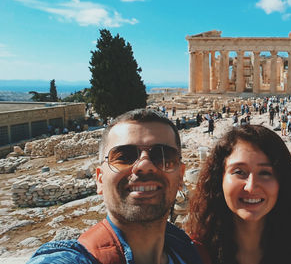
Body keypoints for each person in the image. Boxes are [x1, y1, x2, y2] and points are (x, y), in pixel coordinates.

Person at [27, 109, 204, 264]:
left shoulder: (191, 252)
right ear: (100, 179)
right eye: (124, 156)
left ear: (180, 176)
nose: (144, 165)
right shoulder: (76, 258)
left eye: (163, 156)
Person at [187, 125, 291, 264]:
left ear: (282, 181)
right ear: (219, 178)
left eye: (265, 173)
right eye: (239, 172)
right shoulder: (193, 254)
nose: (251, 187)